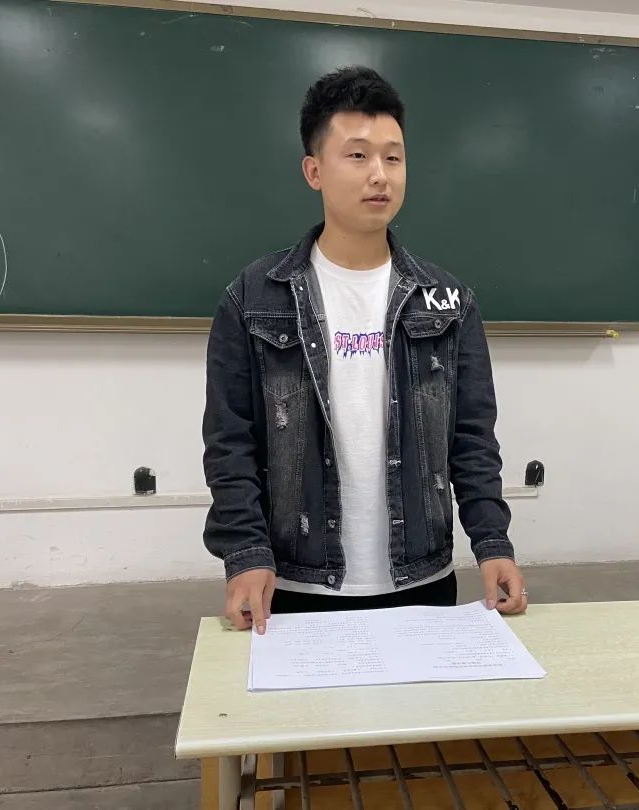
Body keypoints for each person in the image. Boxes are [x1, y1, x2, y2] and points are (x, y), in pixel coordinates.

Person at [202, 65, 526, 634]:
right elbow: (231, 443)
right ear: (314, 170)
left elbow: (473, 438)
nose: (380, 174)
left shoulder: (447, 300)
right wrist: (245, 553)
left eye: (393, 158)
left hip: (422, 580)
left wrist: (492, 542)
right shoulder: (254, 298)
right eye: (357, 155)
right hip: (295, 585)